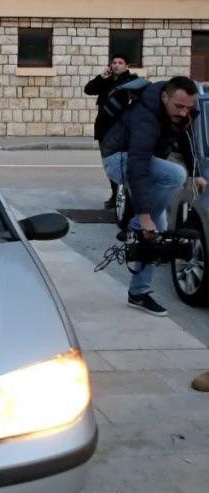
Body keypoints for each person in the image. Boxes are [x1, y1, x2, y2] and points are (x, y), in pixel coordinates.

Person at [101, 76, 208, 317]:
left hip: (142, 161)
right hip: (119, 159)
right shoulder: (145, 117)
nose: (183, 112)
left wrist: (197, 174)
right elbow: (137, 166)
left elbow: (187, 138)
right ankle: (138, 224)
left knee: (156, 232)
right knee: (173, 175)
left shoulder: (182, 113)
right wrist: (143, 215)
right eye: (178, 106)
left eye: (188, 108)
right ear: (164, 97)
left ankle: (138, 294)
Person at [84, 54, 138, 210]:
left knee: (123, 163)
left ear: (127, 65)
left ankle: (127, 196)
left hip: (123, 129)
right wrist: (101, 77)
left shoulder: (132, 81)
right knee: (110, 165)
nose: (116, 65)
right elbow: (88, 90)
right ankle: (116, 196)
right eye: (114, 62)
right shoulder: (105, 80)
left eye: (120, 63)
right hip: (104, 129)